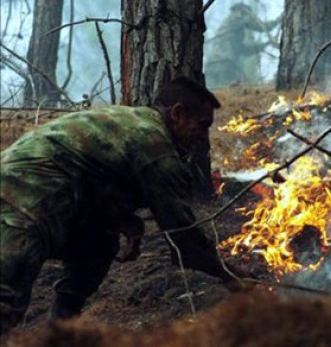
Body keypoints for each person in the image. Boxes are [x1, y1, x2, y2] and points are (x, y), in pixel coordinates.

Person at [0, 77, 243, 334]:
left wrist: (122, 220)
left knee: (100, 243)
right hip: (21, 200)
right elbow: (184, 233)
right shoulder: (153, 144)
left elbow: (87, 175)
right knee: (6, 299)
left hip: (47, 197)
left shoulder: (133, 122)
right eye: (202, 125)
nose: (204, 137)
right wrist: (230, 275)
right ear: (178, 113)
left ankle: (60, 330)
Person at [205, 3, 280, 88]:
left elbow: (244, 50)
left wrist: (265, 44)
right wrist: (279, 20)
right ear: (240, 11)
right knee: (246, 88)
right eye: (245, 13)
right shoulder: (236, 19)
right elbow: (262, 26)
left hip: (212, 65)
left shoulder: (230, 28)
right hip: (225, 63)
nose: (247, 16)